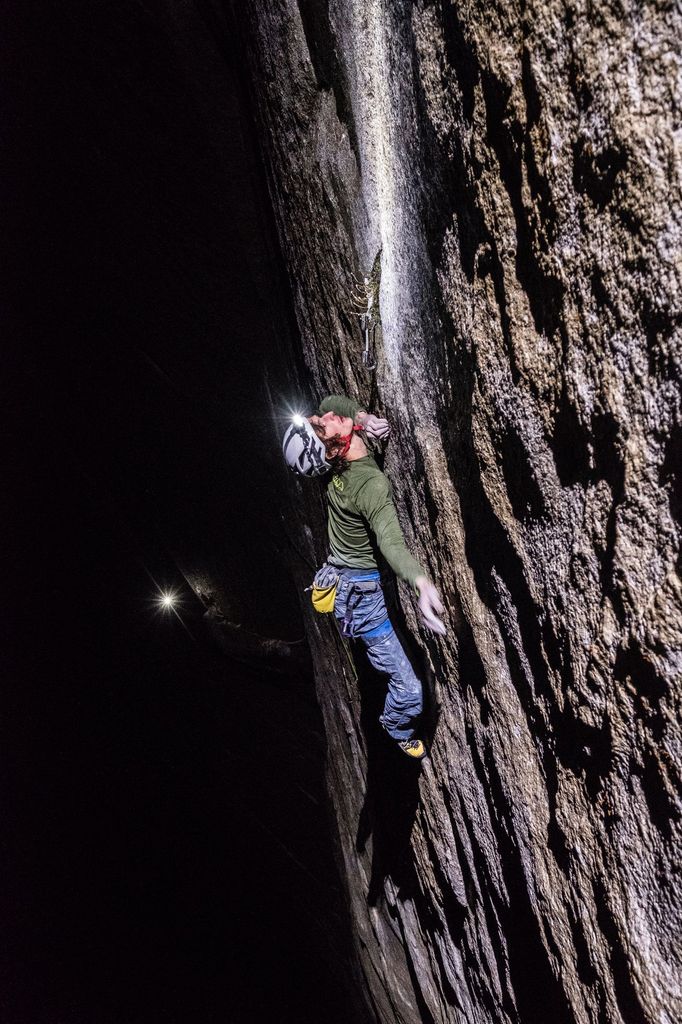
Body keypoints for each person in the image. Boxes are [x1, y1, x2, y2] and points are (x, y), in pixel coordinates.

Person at [282, 394, 446, 759]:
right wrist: (420, 581)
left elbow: (333, 401)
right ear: (336, 446)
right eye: (322, 424)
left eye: (317, 418)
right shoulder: (370, 486)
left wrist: (363, 416)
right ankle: (396, 727)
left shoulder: (333, 454)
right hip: (363, 598)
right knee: (410, 691)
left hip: (342, 576)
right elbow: (390, 542)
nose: (325, 414)